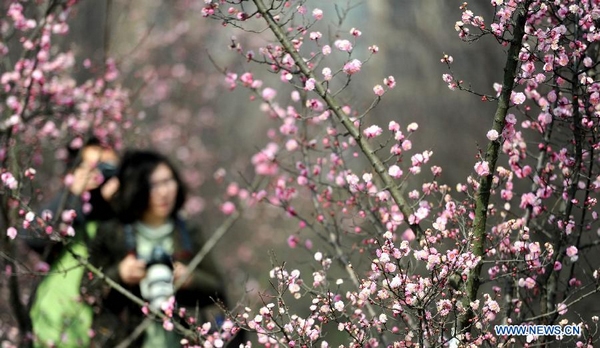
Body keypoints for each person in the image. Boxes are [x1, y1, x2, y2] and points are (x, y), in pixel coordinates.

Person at [84, 150, 228, 347]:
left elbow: (217, 288)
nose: (164, 192)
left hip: (183, 339)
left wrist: (190, 279)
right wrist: (119, 274)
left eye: (168, 181)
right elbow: (87, 291)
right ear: (136, 188)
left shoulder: (188, 232)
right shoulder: (113, 233)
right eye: (154, 185)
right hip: (129, 339)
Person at [28, 137, 119, 348]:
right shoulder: (71, 213)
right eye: (93, 167)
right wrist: (73, 195)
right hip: (54, 327)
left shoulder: (126, 217)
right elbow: (34, 238)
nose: (101, 175)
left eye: (108, 167)